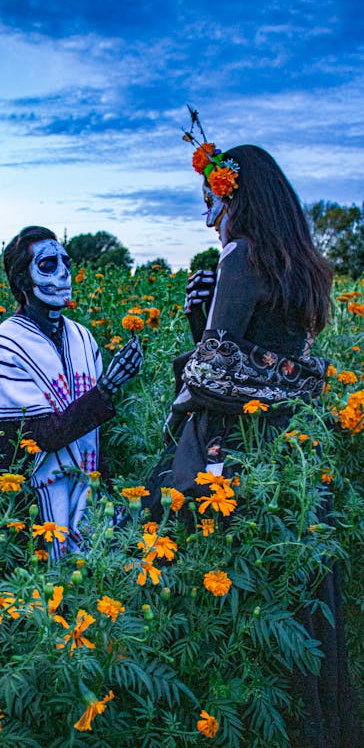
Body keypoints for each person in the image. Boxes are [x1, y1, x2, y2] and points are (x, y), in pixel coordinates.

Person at [144, 116, 360, 747]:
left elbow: (216, 371)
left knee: (215, 564)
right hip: (286, 444)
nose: (207, 216)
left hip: (228, 444)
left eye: (209, 201)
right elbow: (265, 359)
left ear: (231, 194)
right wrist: (203, 330)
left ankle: (228, 709)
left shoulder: (240, 257)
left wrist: (195, 341)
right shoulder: (301, 266)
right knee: (292, 578)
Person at [0, 226, 142, 557]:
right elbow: (39, 437)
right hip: (26, 503)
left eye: (65, 261)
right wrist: (107, 388)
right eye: (49, 264)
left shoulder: (82, 338)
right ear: (23, 281)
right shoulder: (2, 347)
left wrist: (105, 487)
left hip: (85, 489)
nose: (64, 272)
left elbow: (92, 436)